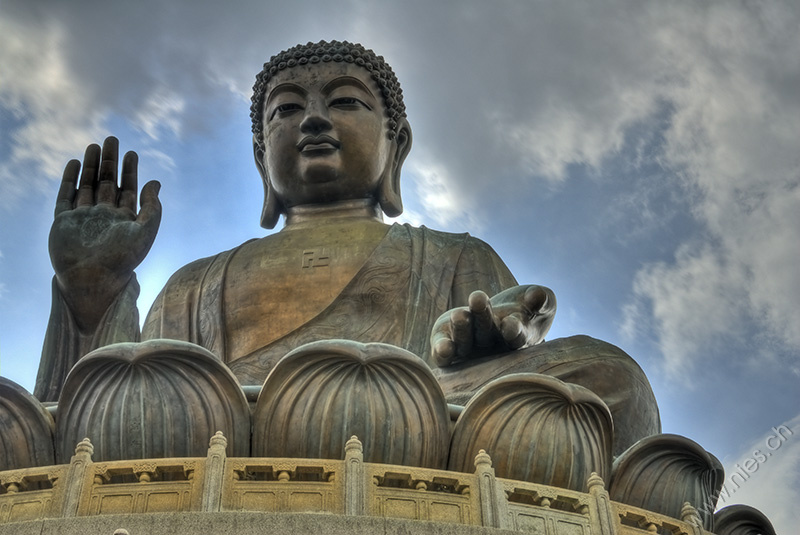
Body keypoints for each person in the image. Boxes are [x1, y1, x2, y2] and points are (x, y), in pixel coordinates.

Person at [36, 41, 658, 455]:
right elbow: (98, 409)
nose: (312, 120)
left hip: (415, 419)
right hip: (225, 431)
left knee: (610, 377)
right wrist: (91, 292)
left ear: (397, 147)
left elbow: (496, 347)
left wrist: (484, 338)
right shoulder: (197, 282)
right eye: (286, 110)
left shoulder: (451, 254)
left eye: (344, 102)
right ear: (261, 158)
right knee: (142, 399)